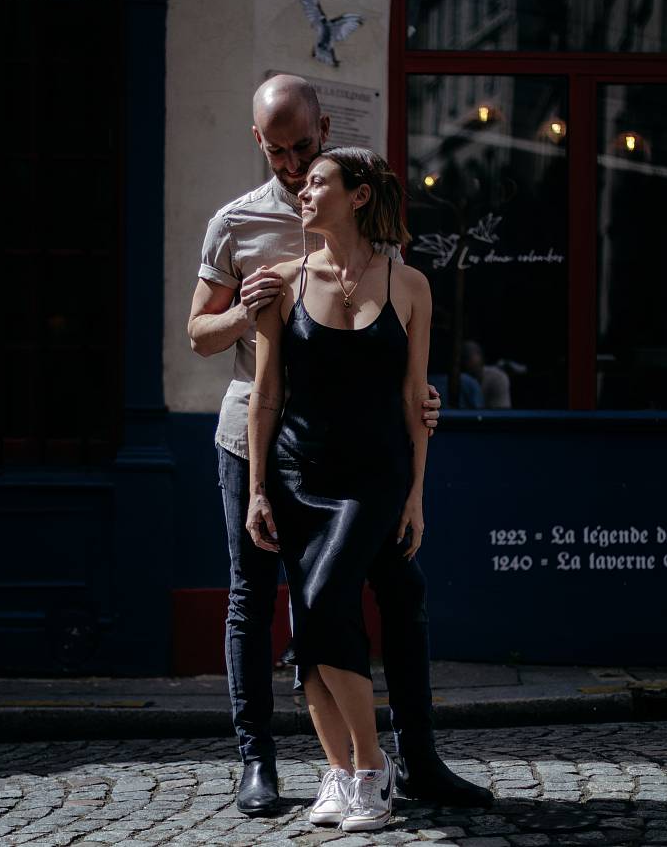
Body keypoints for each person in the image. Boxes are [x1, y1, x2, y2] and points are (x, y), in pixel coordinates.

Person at [186, 75, 492, 816]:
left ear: (323, 131)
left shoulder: (372, 230)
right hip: (261, 439)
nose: (295, 167)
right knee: (256, 600)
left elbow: (393, 326)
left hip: (361, 449)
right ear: (258, 143)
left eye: (305, 149)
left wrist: (414, 396)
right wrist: (245, 314)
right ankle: (261, 762)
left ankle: (413, 759)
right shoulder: (236, 223)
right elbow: (199, 333)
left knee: (399, 595)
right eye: (280, 152)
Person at [245, 147, 432, 831]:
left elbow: (416, 398)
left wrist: (415, 495)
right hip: (300, 474)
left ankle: (371, 767)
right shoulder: (282, 282)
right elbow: (265, 397)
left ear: (356, 196)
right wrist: (258, 489)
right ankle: (340, 773)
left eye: (318, 180)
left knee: (323, 601)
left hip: (375, 477)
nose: (303, 190)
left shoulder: (408, 283)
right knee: (313, 620)